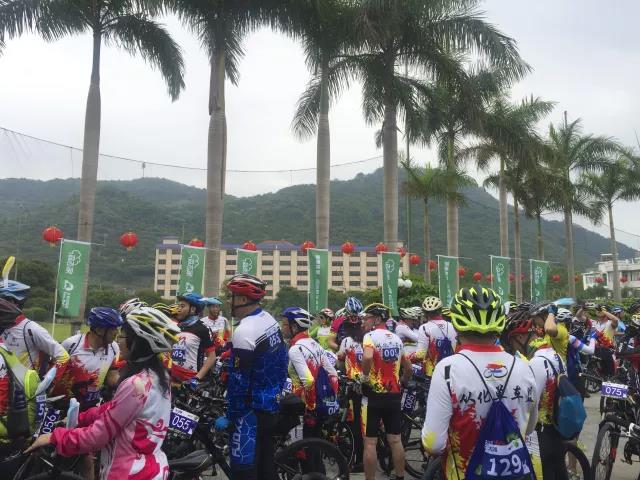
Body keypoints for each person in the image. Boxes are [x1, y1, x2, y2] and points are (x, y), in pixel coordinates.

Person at [26, 306, 180, 480]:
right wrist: (80, 418)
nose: (118, 340)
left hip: (129, 473)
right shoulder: (160, 376)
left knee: (87, 462)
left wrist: (56, 437)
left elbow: (98, 436)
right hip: (152, 467)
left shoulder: (136, 385)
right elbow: (113, 408)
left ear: (140, 342)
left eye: (123, 336)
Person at [422, 287, 538, 480]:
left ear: (457, 325)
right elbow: (530, 427)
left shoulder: (447, 369)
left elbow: (433, 444)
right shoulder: (524, 367)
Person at [222, 274, 288, 480]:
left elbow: (238, 383)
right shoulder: (269, 319)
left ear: (242, 299)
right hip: (270, 405)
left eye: (232, 296)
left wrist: (231, 415)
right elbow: (282, 359)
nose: (229, 301)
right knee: (266, 468)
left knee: (244, 471)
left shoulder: (244, 330)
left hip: (249, 412)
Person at [361, 303, 412, 480]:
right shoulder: (396, 338)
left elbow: (368, 357)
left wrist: (364, 377)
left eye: (367, 318)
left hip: (373, 395)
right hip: (394, 394)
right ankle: (400, 477)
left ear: (377, 319)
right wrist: (403, 381)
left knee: (370, 443)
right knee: (396, 440)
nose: (364, 321)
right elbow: (408, 367)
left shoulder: (370, 337)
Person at [281, 306, 338, 460]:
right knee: (314, 452)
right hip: (319, 407)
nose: (282, 327)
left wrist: (308, 407)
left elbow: (308, 380)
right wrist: (328, 400)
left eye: (284, 324)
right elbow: (333, 374)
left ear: (294, 327)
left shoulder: (295, 349)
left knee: (301, 453)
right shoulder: (314, 343)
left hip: (302, 409)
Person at [51, 307, 122, 411]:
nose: (117, 332)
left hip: (90, 407)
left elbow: (112, 376)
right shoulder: (71, 344)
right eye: (113, 329)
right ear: (99, 330)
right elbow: (52, 374)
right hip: (62, 405)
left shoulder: (114, 347)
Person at [0, 280, 68, 380]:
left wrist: (47, 383)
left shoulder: (31, 329)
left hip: (22, 387)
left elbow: (63, 357)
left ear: (13, 302)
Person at [336, 312, 365, 471]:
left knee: (354, 424)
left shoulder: (346, 341)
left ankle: (358, 459)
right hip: (368, 387)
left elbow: (340, 362)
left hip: (353, 388)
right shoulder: (368, 339)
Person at [170, 292, 216, 386]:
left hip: (190, 382)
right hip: (171, 379)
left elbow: (211, 357)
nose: (179, 309)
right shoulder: (175, 327)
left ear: (193, 309)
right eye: (179, 306)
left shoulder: (203, 328)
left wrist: (197, 378)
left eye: (182, 306)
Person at [412, 296, 457, 378]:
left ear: (425, 313)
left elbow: (420, 355)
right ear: (440, 311)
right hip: (452, 371)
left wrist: (406, 358)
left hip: (432, 373)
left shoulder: (424, 328)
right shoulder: (453, 326)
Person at [592, 304, 619, 376]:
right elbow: (578, 316)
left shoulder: (610, 323)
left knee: (609, 375)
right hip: (596, 351)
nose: (598, 311)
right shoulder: (595, 323)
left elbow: (615, 319)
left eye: (601, 310)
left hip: (608, 352)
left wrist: (604, 311)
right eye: (598, 310)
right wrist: (583, 308)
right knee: (599, 375)